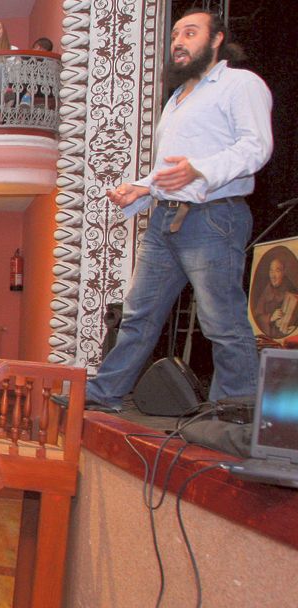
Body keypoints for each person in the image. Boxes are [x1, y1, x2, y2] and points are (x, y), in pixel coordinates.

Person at [91, 8, 272, 411]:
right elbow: (170, 168)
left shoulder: (240, 84)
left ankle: (234, 412)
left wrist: (200, 170)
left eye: (190, 33)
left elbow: (255, 147)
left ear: (216, 39)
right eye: (175, 34)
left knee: (221, 322)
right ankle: (104, 395)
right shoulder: (178, 97)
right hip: (164, 219)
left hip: (213, 217)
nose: (178, 42)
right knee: (137, 316)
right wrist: (140, 188)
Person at [253, 257, 298, 338]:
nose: (273, 276)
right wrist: (270, 318)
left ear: (284, 272)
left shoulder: (292, 292)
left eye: (277, 271)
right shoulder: (267, 290)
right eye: (271, 271)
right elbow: (257, 317)